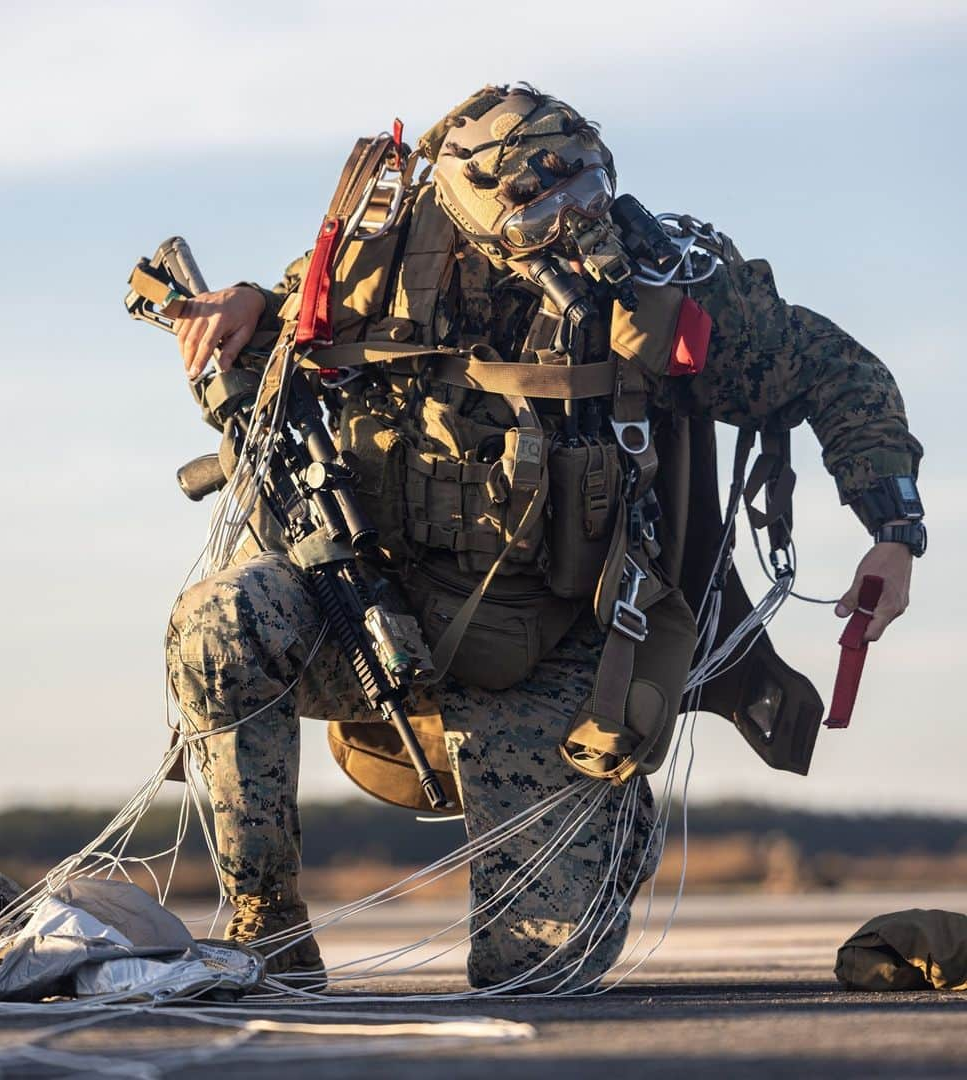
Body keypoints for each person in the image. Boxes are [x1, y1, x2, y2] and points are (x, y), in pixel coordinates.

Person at [164, 84, 924, 991]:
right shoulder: (377, 259)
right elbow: (282, 319)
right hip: (370, 611)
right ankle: (265, 926)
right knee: (223, 620)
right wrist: (241, 307)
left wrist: (893, 531)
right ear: (468, 194)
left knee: (530, 972)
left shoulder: (656, 283)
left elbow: (837, 373)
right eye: (540, 198)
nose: (572, 219)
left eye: (587, 190)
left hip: (561, 645)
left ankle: (608, 828)